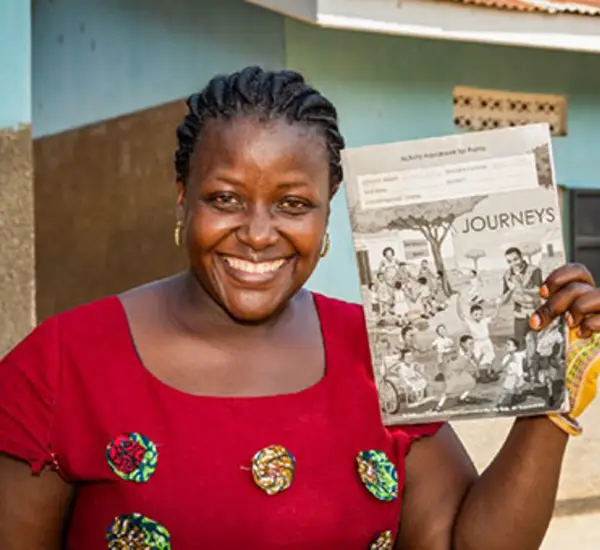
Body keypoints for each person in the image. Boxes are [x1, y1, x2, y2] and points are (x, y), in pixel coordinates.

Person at [0, 66, 600, 550]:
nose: (259, 234)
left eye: (292, 203)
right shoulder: (61, 367)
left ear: (328, 210)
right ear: (182, 196)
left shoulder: (379, 351)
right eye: (225, 198)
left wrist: (550, 400)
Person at [499, 247, 543, 349]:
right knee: (519, 344)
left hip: (535, 310)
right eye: (509, 261)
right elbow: (504, 299)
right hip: (519, 313)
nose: (513, 264)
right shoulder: (507, 275)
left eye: (515, 259)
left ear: (521, 257)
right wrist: (510, 291)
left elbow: (538, 290)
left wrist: (521, 288)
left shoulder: (534, 270)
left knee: (540, 342)